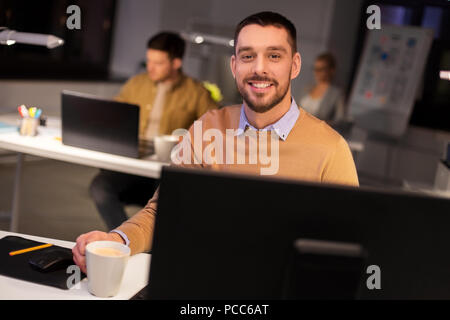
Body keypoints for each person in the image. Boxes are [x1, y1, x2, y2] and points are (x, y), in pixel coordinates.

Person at [73, 12, 359, 274]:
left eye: (274, 56)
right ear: (234, 65)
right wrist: (116, 238)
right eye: (247, 56)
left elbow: (345, 250)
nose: (259, 69)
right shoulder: (208, 127)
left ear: (294, 65)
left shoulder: (331, 149)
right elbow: (163, 212)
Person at [89, 32, 218, 230]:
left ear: (176, 63)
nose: (150, 67)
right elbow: (112, 116)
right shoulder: (136, 84)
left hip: (165, 172)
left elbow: (216, 130)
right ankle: (124, 238)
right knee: (100, 187)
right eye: (149, 60)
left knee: (171, 201)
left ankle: (149, 242)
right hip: (132, 165)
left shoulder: (196, 92)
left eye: (158, 63)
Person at [299, 52, 346, 122]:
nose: (316, 72)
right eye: (315, 69)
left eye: (321, 69)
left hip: (315, 131)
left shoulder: (337, 94)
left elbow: (340, 121)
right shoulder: (308, 88)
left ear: (331, 70)